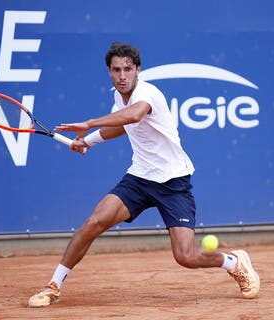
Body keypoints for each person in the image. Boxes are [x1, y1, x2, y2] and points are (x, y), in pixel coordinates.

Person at [28, 42, 260, 307]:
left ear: (138, 69)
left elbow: (134, 115)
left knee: (185, 256)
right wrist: (89, 141)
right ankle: (53, 285)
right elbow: (122, 126)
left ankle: (233, 261)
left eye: (128, 69)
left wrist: (90, 123)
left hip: (173, 182)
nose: (122, 76)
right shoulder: (118, 97)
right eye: (116, 70)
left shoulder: (147, 92)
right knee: (93, 223)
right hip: (139, 179)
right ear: (109, 72)